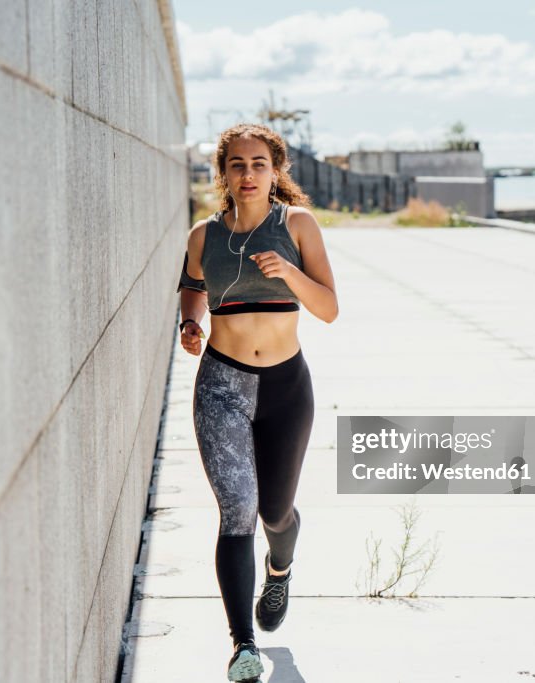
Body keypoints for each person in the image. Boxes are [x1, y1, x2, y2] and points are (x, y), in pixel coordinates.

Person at [176, 123, 338, 682]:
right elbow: (192, 284)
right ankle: (243, 645)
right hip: (221, 384)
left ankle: (281, 567)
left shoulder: (297, 225)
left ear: (276, 172)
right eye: (238, 165)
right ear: (223, 173)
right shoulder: (204, 234)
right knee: (238, 510)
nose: (248, 174)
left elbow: (329, 309)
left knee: (275, 511)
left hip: (286, 388)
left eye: (259, 164)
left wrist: (289, 271)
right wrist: (190, 323)